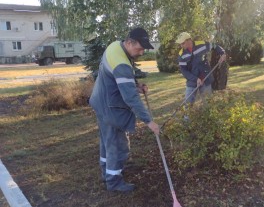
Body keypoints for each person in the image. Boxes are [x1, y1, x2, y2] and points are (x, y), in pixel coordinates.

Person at [89, 27, 160, 192]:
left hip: (100, 102)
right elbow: (130, 98)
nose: (142, 52)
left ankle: (106, 173)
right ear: (129, 42)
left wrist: (135, 86)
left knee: (107, 142)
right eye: (140, 48)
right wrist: (149, 121)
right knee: (118, 145)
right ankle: (114, 182)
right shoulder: (122, 62)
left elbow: (118, 80)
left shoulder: (115, 46)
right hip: (111, 109)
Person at [175, 32, 226, 104]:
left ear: (189, 40)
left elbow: (214, 46)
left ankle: (208, 114)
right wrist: (196, 79)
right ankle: (187, 116)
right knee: (188, 105)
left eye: (182, 43)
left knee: (208, 104)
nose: (181, 45)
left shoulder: (201, 45)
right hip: (192, 81)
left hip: (206, 78)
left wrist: (222, 53)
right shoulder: (182, 55)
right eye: (180, 44)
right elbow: (184, 71)